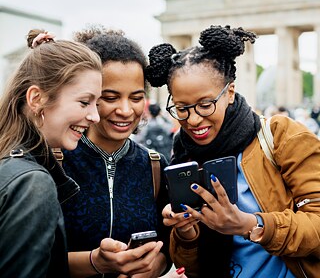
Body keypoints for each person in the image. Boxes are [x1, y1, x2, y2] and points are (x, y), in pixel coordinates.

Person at [145, 25, 320, 278]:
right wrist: (186, 233)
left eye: (205, 105)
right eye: (182, 108)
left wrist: (251, 224)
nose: (193, 120)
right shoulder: (184, 155)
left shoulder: (282, 136)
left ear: (229, 92)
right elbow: (190, 268)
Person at [60, 25, 172, 277]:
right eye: (110, 97)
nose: (125, 110)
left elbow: (169, 246)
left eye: (135, 97)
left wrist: (156, 266)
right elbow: (30, 255)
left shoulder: (155, 165)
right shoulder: (54, 162)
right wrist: (94, 262)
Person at [0, 29, 102, 277]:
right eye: (84, 102)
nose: (95, 116)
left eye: (97, 103)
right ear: (37, 98)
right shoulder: (32, 183)